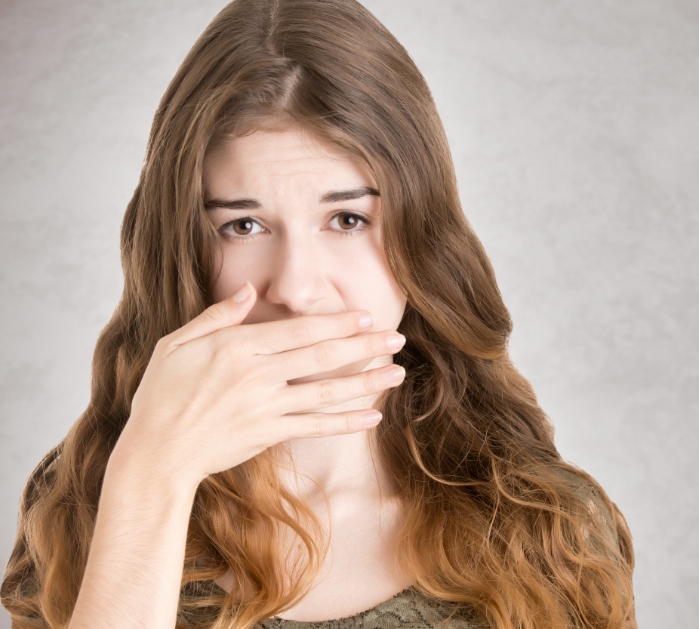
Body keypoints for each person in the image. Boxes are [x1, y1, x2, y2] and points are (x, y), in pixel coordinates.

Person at [1, 0, 637, 627]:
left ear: (423, 235)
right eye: (243, 225)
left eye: (348, 219)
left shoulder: (550, 529)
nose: (298, 289)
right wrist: (150, 477)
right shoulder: (83, 501)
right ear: (182, 247)